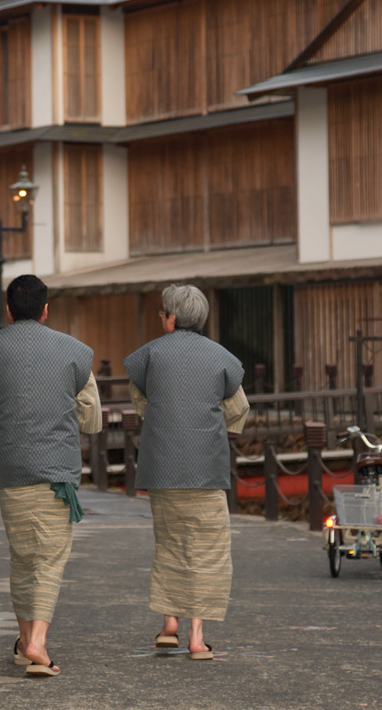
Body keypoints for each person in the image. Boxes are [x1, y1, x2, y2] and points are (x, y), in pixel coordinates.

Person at [0, 274, 101, 677]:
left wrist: (4, 424)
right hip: (56, 470)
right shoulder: (75, 352)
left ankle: (25, 643)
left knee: (22, 557)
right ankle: (39, 643)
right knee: (48, 560)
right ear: (46, 310)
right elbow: (91, 417)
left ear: (8, 309)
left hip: (11, 470)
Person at [124, 283, 249, 661]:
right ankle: (197, 638)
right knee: (208, 552)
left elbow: (140, 400)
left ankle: (169, 624)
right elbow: (238, 408)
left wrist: (164, 416)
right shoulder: (221, 357)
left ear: (171, 319)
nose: (161, 318)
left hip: (162, 468)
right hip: (206, 468)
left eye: (162, 313)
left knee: (169, 544)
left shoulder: (148, 356)